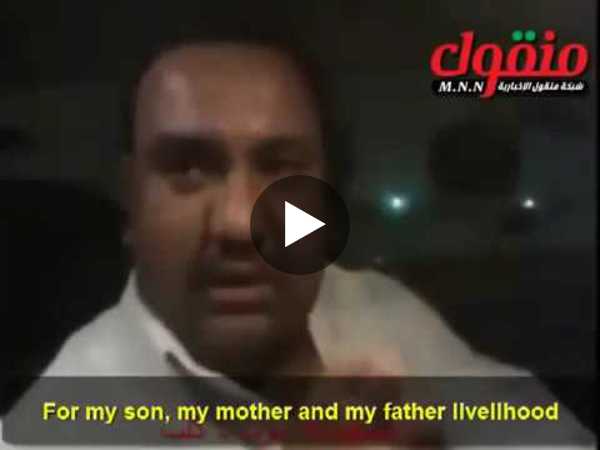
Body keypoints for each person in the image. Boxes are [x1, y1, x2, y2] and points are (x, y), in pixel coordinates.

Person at [1, 31, 593, 449]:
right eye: (188, 168)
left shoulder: (374, 306)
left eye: (282, 168)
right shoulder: (52, 432)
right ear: (131, 202)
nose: (239, 223)